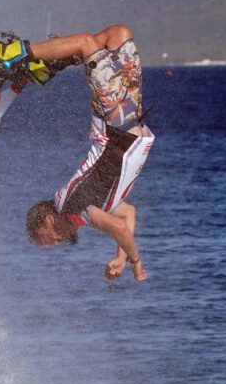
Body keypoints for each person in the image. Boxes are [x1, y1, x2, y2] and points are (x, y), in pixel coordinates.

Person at [23, 24, 154, 282]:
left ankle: (18, 54)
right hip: (129, 117)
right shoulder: (88, 203)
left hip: (116, 123)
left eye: (52, 238)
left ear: (48, 220)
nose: (60, 239)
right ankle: (60, 55)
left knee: (85, 43)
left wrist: (135, 263)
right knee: (119, 34)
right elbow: (127, 214)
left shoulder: (71, 208)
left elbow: (118, 227)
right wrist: (120, 256)